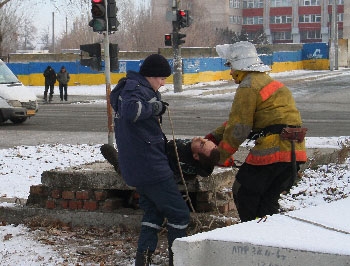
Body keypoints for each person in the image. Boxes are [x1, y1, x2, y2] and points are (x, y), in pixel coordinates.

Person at [205, 41, 307, 223]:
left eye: (230, 66)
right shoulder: (273, 84)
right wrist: (216, 135)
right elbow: (244, 119)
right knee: (267, 202)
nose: (230, 72)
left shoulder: (248, 86)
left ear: (239, 64)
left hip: (272, 152)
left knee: (243, 192)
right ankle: (270, 239)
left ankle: (251, 236)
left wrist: (220, 156)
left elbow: (240, 126)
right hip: (294, 153)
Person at [109, 54, 190, 266]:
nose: (163, 84)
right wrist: (155, 107)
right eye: (161, 78)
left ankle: (142, 262)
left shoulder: (131, 88)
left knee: (153, 214)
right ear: (151, 76)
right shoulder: (135, 89)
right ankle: (178, 262)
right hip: (150, 166)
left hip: (137, 166)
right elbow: (131, 112)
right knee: (179, 215)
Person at [100, 136, 220, 180]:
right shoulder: (194, 162)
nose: (201, 138)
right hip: (151, 159)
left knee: (121, 163)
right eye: (207, 140)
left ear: (196, 156)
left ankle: (119, 162)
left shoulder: (180, 152)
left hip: (143, 171)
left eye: (202, 144)